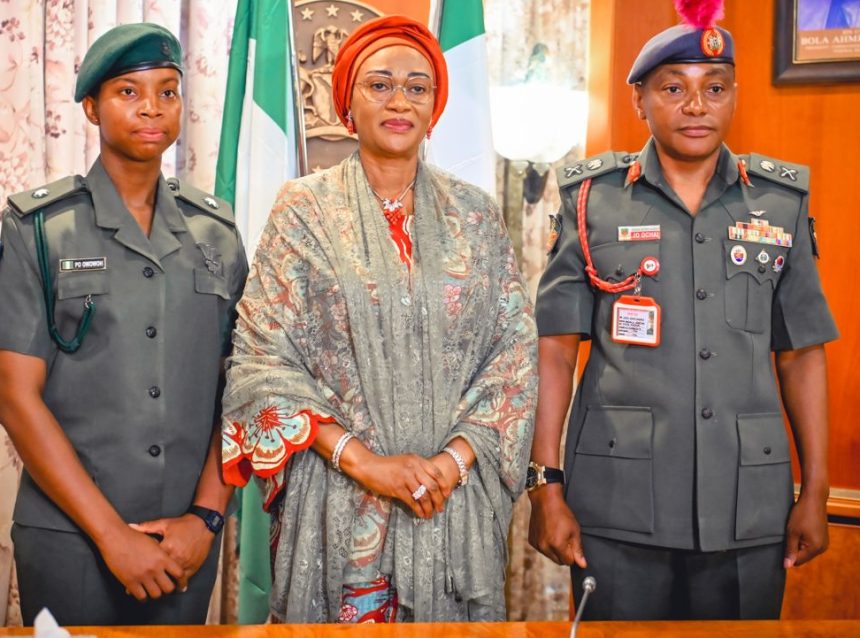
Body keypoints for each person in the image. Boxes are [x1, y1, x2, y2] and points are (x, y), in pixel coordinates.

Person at [221, 15, 537, 624]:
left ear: (436, 106)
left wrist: (451, 462)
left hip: (453, 501)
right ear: (347, 103)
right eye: (380, 85)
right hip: (338, 503)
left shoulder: (476, 215)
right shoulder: (301, 210)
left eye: (418, 87)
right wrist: (364, 463)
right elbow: (262, 361)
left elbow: (513, 357)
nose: (400, 101)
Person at [528, 4, 838, 621]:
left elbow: (801, 354)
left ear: (733, 97)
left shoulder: (779, 204)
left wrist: (817, 490)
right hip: (618, 506)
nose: (696, 106)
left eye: (714, 89)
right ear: (639, 100)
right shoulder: (592, 202)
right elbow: (556, 351)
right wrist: (546, 485)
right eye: (674, 88)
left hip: (748, 507)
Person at [0, 23, 248, 625]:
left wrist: (207, 517)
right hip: (71, 539)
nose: (152, 109)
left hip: (184, 545)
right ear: (91, 106)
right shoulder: (37, 229)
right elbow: (14, 396)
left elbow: (245, 391)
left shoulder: (216, 233)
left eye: (168, 91)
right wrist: (113, 536)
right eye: (129, 92)